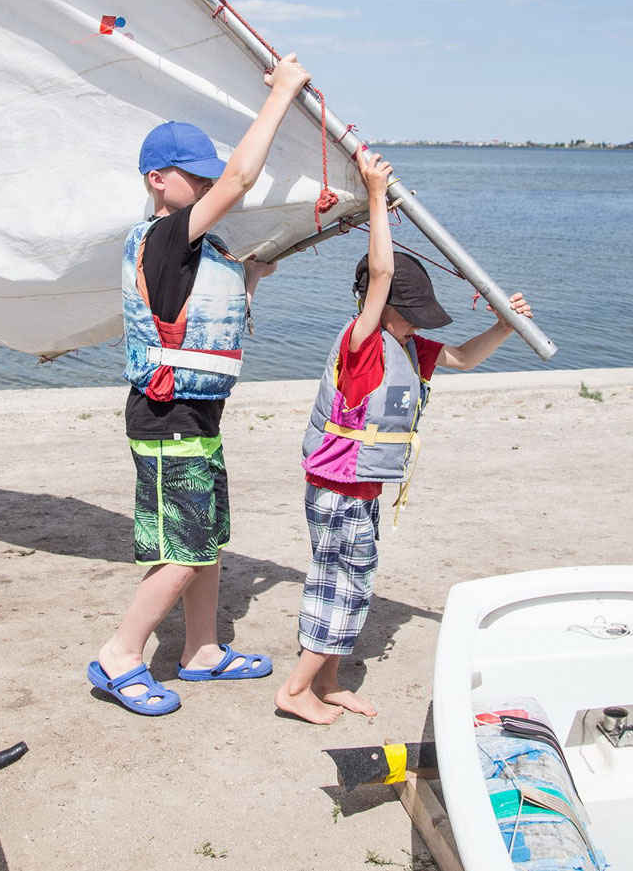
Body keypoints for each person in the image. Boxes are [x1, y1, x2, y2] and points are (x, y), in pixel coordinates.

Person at [86, 54, 313, 717]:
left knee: (208, 539)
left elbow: (211, 301)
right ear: (158, 181)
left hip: (199, 418)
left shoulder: (196, 253)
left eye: (210, 179)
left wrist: (263, 269)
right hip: (166, 420)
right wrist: (284, 93)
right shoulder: (165, 236)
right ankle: (121, 653)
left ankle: (202, 650)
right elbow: (243, 175)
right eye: (199, 177)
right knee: (182, 551)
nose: (214, 185)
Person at [275, 147, 533, 724]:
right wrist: (375, 197)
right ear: (379, 304)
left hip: (362, 488)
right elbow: (384, 273)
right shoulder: (362, 341)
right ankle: (294, 690)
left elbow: (464, 357)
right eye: (409, 311)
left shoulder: (410, 347)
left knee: (346, 576)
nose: (417, 321)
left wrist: (504, 325)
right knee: (344, 580)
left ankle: (329, 680)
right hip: (338, 485)